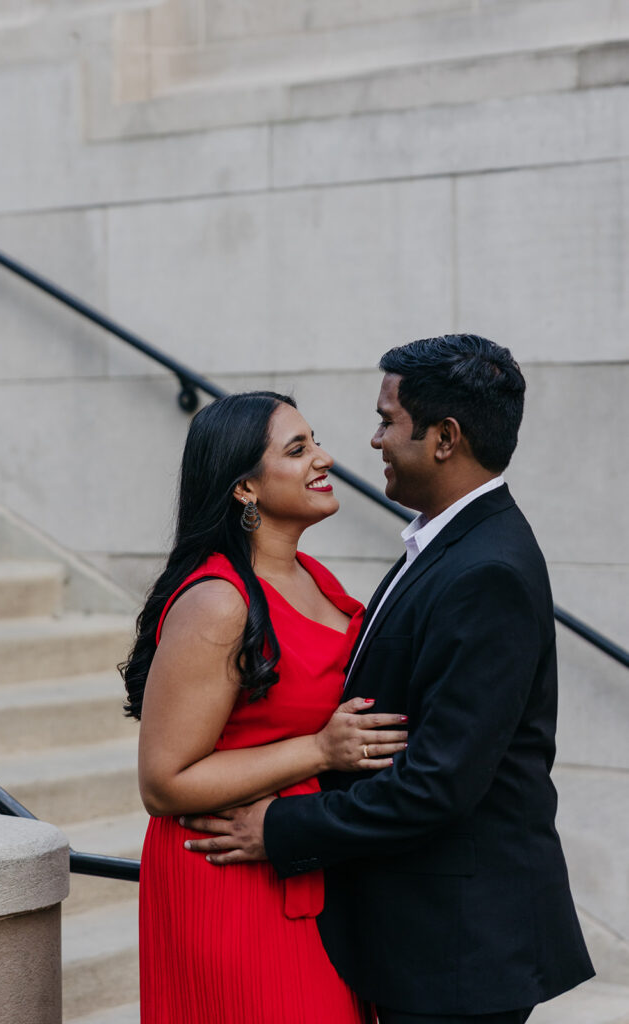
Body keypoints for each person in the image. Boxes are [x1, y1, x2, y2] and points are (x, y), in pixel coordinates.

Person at [183, 335, 595, 1024]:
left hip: (456, 950)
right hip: (414, 937)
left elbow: (437, 784)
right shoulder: (445, 542)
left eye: (385, 420)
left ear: (443, 437)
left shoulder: (486, 570)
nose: (370, 441)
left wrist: (278, 826)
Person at [121, 390, 409, 1024]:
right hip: (228, 877)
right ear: (244, 487)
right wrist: (319, 749)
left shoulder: (314, 577)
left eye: (316, 441)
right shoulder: (218, 602)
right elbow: (163, 782)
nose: (324, 458)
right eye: (298, 449)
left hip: (301, 860)